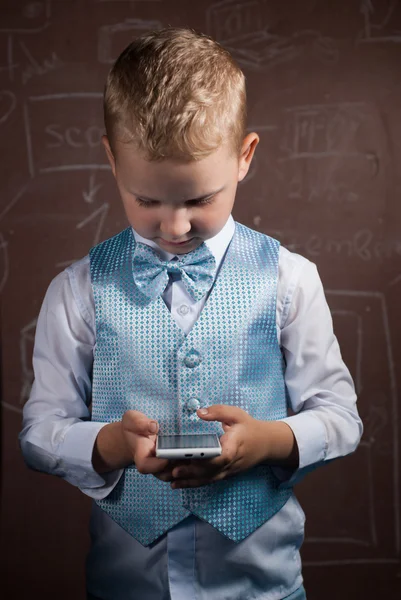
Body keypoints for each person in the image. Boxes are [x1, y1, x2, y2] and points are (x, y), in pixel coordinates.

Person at [19, 27, 363, 600]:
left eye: (199, 199)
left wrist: (267, 442)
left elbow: (341, 418)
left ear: (244, 157)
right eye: (146, 200)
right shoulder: (78, 290)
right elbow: (39, 434)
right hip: (124, 586)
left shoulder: (288, 280)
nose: (174, 226)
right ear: (111, 160)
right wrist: (111, 444)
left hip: (262, 587)